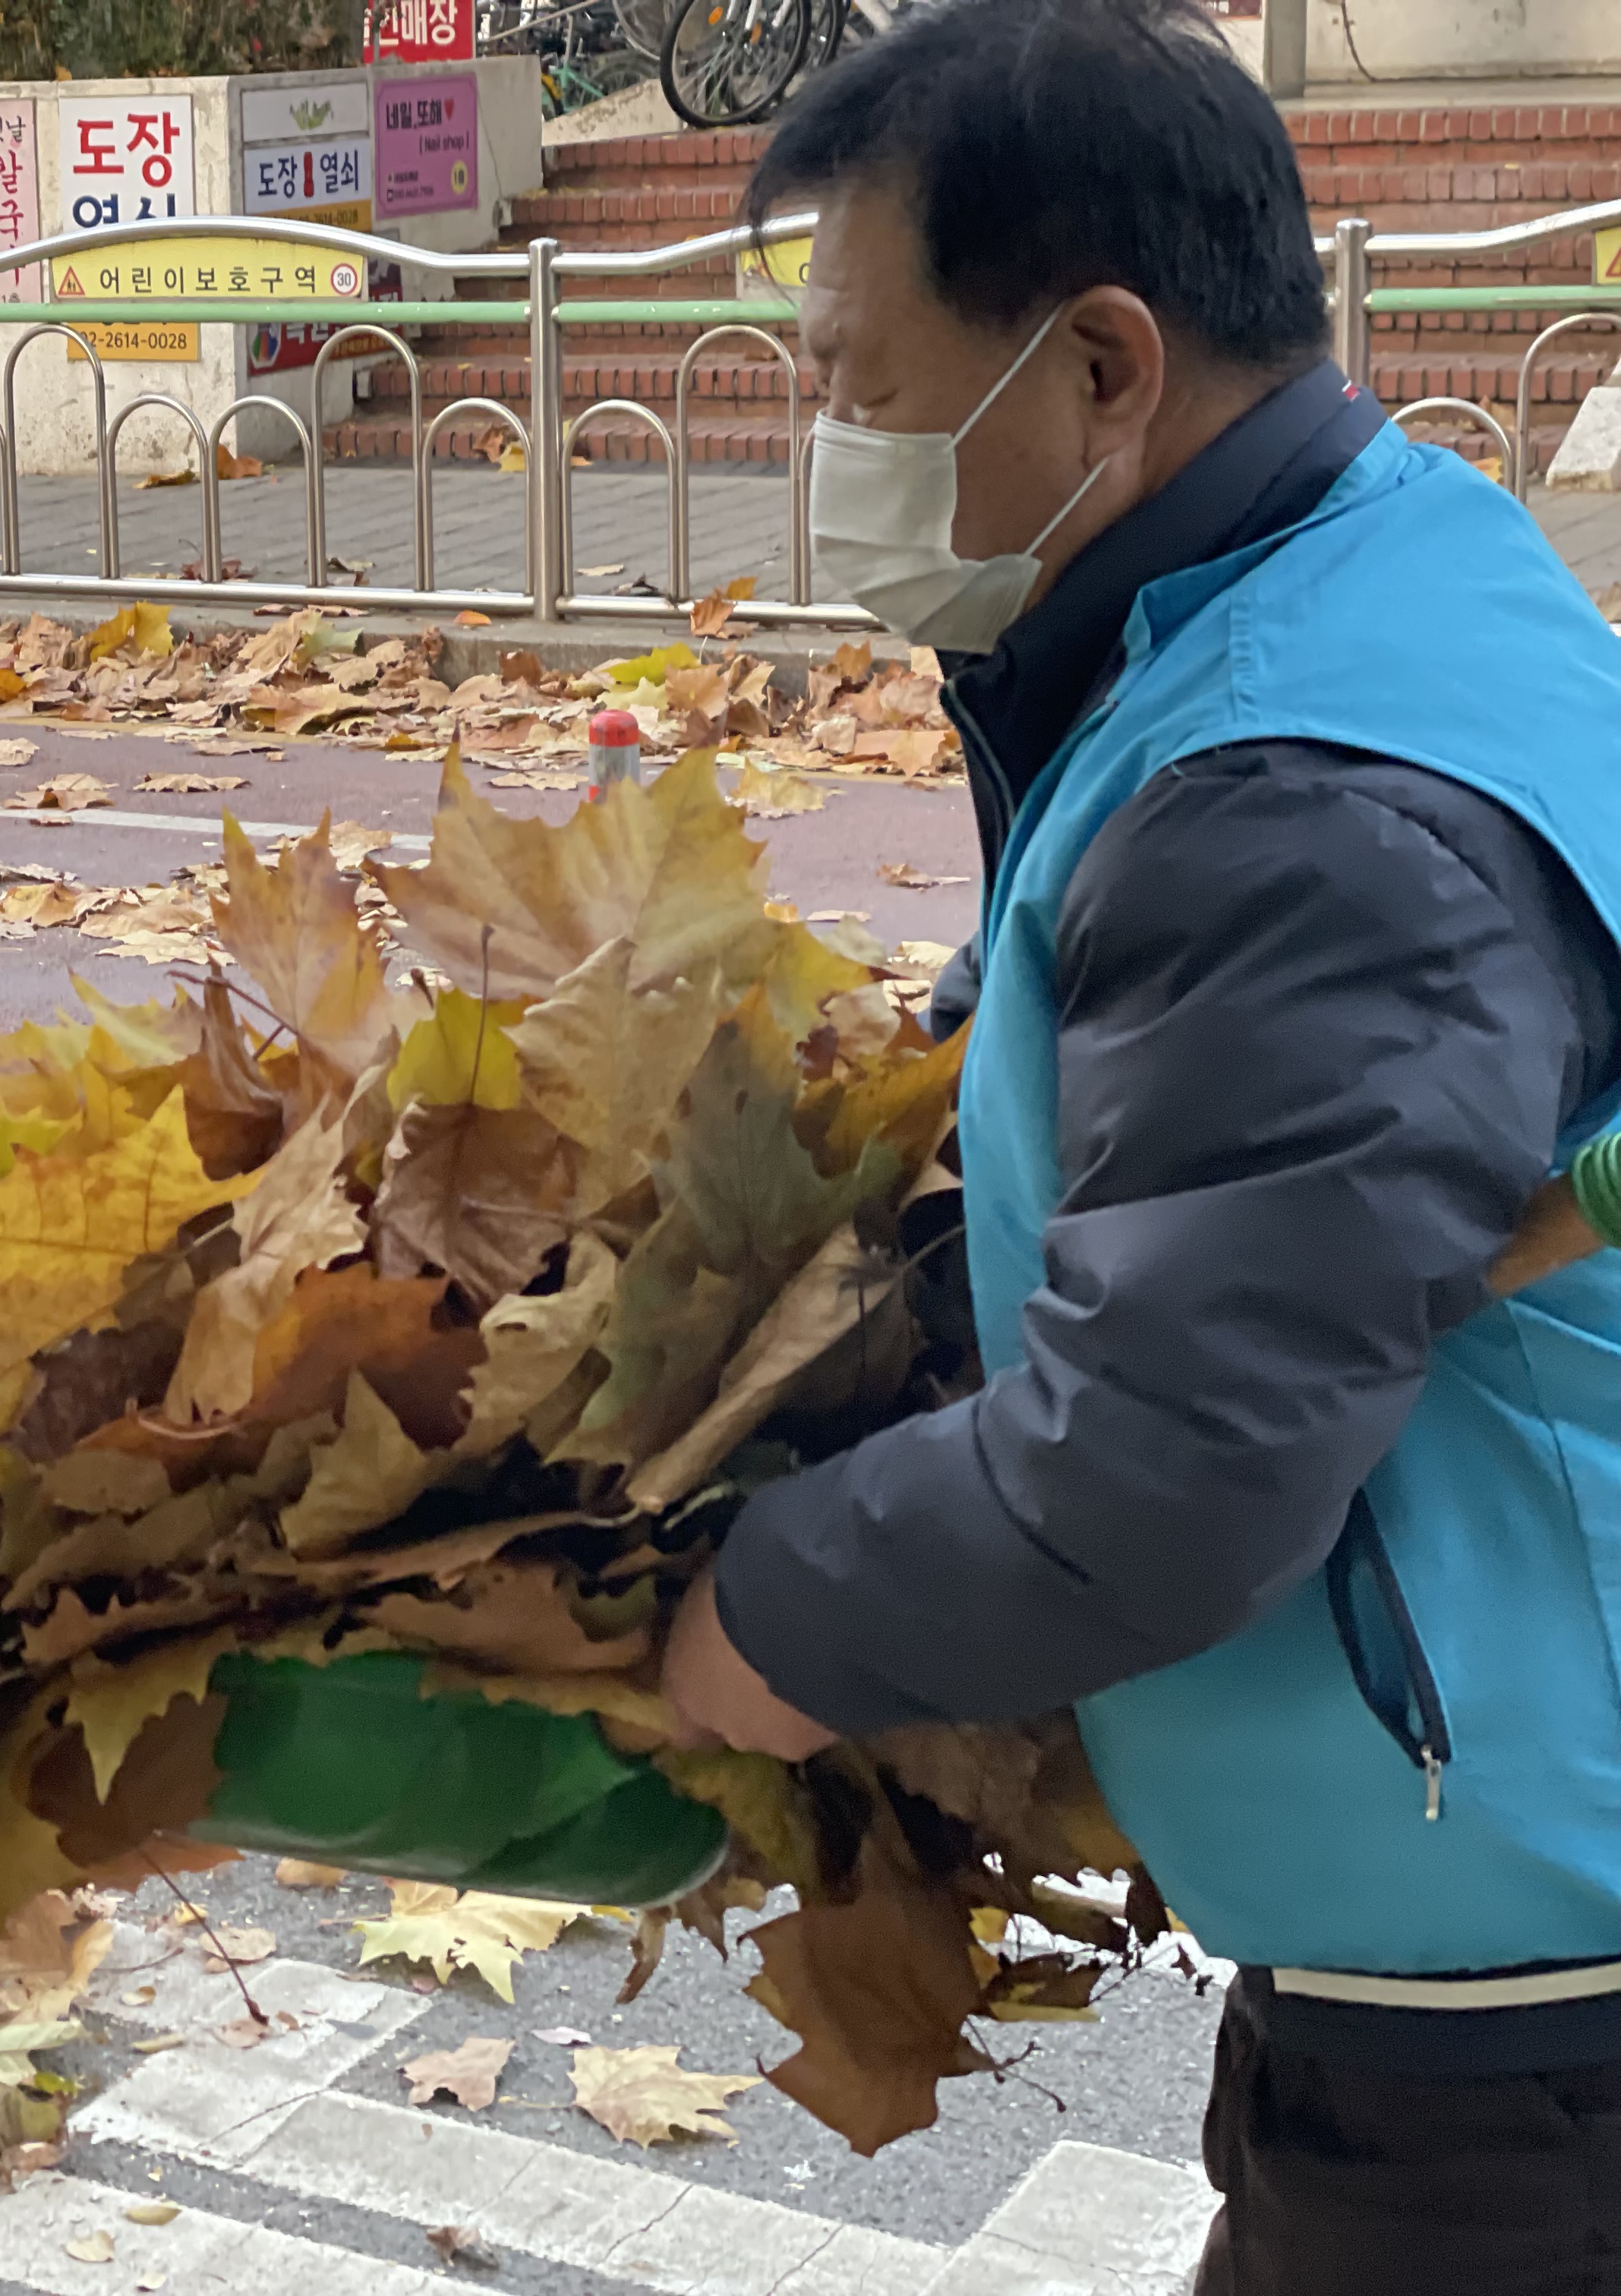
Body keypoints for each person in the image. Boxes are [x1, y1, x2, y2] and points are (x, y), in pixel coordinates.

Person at [651, 3, 1621, 2288]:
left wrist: (758, 1617)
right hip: (1474, 1956)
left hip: (1530, 2032)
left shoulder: (1302, 800)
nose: (829, 445)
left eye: (858, 384)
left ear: (1099, 366)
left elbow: (1169, 1466)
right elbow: (1199, 1093)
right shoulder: (1354, 569)